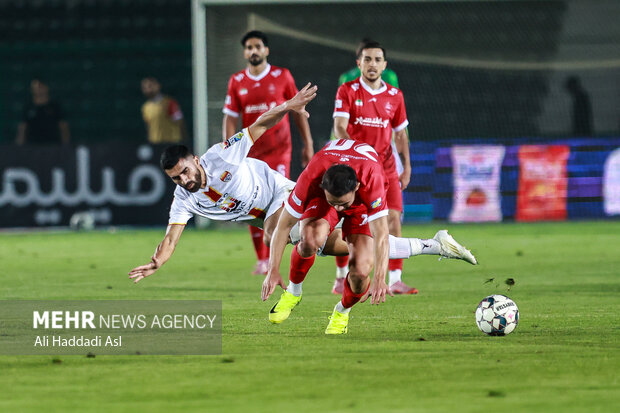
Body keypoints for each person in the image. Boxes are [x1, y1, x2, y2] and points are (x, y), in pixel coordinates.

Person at [129, 85, 476, 291]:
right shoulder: (184, 198)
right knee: (345, 246)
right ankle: (433, 245)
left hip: (284, 195)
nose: (185, 180)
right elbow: (171, 238)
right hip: (271, 216)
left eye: (185, 171)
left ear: (195, 160)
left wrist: (287, 106)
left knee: (273, 234)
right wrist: (158, 261)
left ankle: (302, 283)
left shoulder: (221, 155)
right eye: (176, 178)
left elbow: (259, 125)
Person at [262, 139, 477, 335]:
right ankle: (293, 293)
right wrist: (273, 270)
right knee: (309, 239)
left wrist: (380, 278)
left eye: (343, 204)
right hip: (323, 196)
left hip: (361, 206)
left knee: (361, 271)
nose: (338, 208)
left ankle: (342, 311)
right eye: (334, 203)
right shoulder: (312, 176)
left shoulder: (372, 181)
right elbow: (283, 226)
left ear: (356, 187)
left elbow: (381, 235)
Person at [222, 30, 314, 276]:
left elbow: (298, 111)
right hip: (250, 154)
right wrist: (229, 150)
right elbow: (230, 118)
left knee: (277, 202)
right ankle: (262, 259)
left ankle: (276, 254)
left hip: (279, 150)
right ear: (245, 53)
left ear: (266, 50)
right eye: (249, 47)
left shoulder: (282, 76)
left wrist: (307, 143)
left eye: (257, 46)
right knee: (250, 202)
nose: (253, 51)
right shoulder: (237, 81)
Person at [332, 40, 414, 295]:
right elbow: (339, 127)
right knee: (348, 220)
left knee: (394, 219)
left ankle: (396, 279)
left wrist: (406, 166)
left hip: (387, 167)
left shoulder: (395, 95)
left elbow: (400, 134)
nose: (372, 64)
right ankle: (341, 276)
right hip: (355, 167)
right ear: (359, 63)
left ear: (384, 65)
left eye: (377, 60)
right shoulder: (347, 90)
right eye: (367, 59)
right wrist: (357, 153)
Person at [15, 78, 70, 145]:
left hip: (52, 145)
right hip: (32, 145)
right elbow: (23, 127)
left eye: (40, 87)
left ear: (46, 88)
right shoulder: (28, 107)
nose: (38, 90)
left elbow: (63, 126)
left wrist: (65, 144)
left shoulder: (55, 106)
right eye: (35, 87)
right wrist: (19, 144)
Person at [141, 77, 188, 144]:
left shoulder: (169, 102)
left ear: (158, 86)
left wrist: (184, 140)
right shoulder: (146, 107)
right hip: (155, 143)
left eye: (150, 86)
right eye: (145, 88)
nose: (148, 90)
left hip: (171, 143)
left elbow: (180, 121)